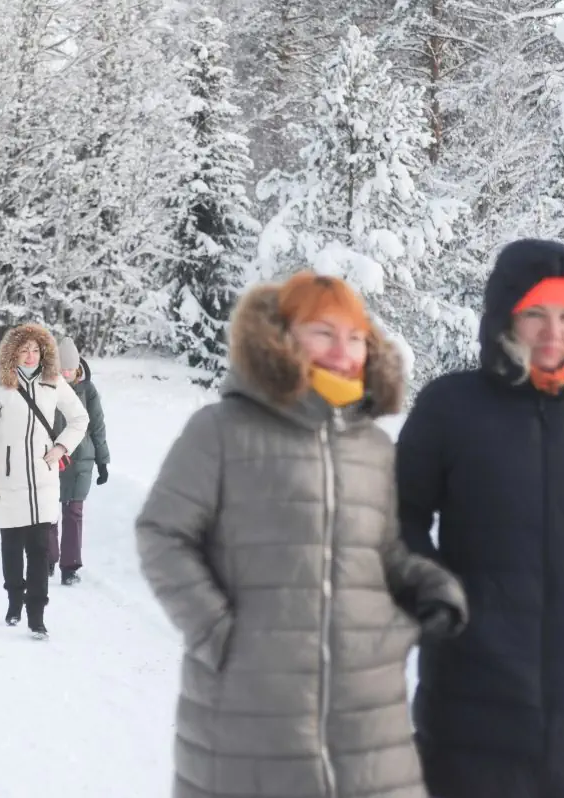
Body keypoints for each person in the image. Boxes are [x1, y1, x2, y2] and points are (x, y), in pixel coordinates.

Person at [136, 273, 468, 798]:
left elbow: (383, 553)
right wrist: (219, 634)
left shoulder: (374, 448)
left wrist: (430, 586)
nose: (343, 351)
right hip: (251, 713)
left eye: (355, 337)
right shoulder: (221, 430)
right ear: (282, 336)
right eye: (323, 332)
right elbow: (163, 533)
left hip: (366, 716)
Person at [395, 239, 564, 798]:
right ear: (507, 315)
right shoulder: (451, 406)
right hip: (474, 685)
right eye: (536, 313)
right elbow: (398, 511)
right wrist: (432, 594)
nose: (552, 331)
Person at [0, 324, 90, 639]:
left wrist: (61, 447)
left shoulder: (53, 382)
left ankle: (37, 615)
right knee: (12, 545)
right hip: (7, 478)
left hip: (43, 479)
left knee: (39, 549)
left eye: (36, 350)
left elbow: (80, 419)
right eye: (25, 350)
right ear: (13, 353)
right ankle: (14, 599)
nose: (31, 356)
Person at [47, 337, 109, 585]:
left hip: (82, 458)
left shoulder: (88, 391)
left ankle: (70, 568)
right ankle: (48, 558)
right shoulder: (46, 387)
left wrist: (102, 461)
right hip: (52, 457)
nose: (66, 374)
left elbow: (98, 427)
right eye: (62, 369)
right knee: (49, 512)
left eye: (70, 369)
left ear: (78, 368)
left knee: (73, 512)